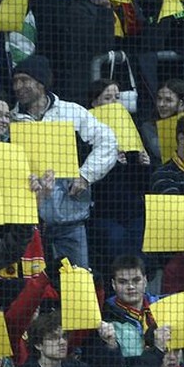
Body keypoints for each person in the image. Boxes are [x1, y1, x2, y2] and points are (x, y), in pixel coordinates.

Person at [9, 54, 119, 268]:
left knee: (78, 287)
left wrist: (86, 176)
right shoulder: (10, 119)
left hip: (69, 222)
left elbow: (108, 141)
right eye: (15, 81)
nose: (17, 86)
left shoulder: (72, 113)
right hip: (27, 227)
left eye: (24, 80)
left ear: (40, 83)